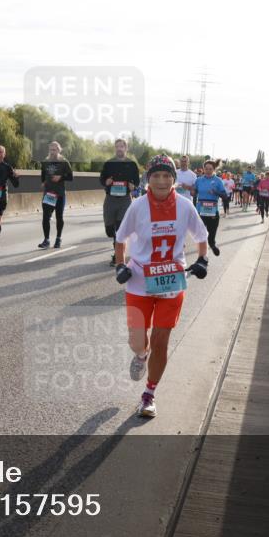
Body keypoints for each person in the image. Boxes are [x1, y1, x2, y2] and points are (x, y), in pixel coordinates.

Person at [114, 155, 209, 418]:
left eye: (167, 175)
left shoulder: (186, 206)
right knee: (137, 341)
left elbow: (202, 236)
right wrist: (120, 265)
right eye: (156, 175)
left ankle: (149, 393)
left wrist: (202, 259)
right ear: (148, 178)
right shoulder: (138, 206)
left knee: (161, 340)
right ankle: (140, 355)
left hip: (171, 280)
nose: (162, 180)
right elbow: (120, 238)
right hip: (138, 281)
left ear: (174, 180)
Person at [99, 138, 141, 266]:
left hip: (125, 200)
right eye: (117, 146)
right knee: (110, 229)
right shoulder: (108, 163)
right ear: (115, 148)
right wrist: (106, 182)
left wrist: (132, 186)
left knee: (120, 229)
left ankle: (117, 255)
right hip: (110, 199)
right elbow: (102, 179)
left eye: (122, 146)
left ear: (126, 148)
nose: (119, 149)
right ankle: (116, 246)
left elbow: (136, 182)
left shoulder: (132, 164)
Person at [38, 141, 73, 249]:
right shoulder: (45, 161)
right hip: (48, 193)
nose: (52, 152)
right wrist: (43, 183)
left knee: (59, 217)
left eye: (54, 149)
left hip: (59, 194)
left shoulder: (64, 162)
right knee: (45, 217)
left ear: (59, 150)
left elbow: (71, 177)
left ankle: (58, 238)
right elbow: (43, 175)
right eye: (51, 149)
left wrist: (60, 177)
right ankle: (46, 240)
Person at [194, 160, 228, 256]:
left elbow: (225, 196)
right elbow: (194, 192)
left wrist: (216, 192)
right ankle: (202, 257)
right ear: (203, 169)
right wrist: (189, 189)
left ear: (214, 170)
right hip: (200, 211)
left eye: (210, 169)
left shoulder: (218, 181)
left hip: (213, 212)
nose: (208, 171)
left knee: (211, 236)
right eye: (206, 169)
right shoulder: (199, 180)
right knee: (201, 235)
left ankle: (212, 244)